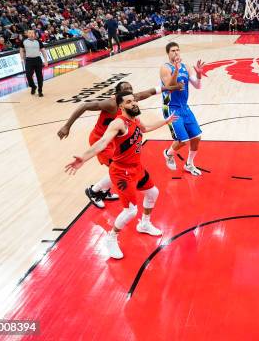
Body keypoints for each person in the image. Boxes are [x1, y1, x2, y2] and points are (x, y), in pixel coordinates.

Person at [65, 91, 178, 259]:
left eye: (134, 101)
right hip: (121, 172)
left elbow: (146, 129)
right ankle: (111, 238)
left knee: (153, 192)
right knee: (131, 211)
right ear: (121, 106)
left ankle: (145, 224)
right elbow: (103, 142)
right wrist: (84, 157)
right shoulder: (119, 123)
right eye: (129, 102)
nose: (134, 104)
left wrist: (165, 121)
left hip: (136, 167)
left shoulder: (135, 120)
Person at [58, 81, 179, 208]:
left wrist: (171, 87)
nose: (129, 91)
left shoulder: (131, 100)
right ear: (117, 95)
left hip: (118, 139)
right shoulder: (110, 104)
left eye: (130, 89)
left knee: (120, 167)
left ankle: (103, 190)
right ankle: (94, 191)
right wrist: (67, 126)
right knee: (118, 167)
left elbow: (151, 91)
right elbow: (84, 106)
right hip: (100, 138)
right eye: (125, 89)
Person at [161, 42, 205, 176]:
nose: (176, 53)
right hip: (171, 107)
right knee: (183, 140)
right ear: (168, 53)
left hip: (184, 107)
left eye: (177, 50)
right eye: (173, 51)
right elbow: (169, 86)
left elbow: (197, 86)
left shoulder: (186, 67)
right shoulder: (165, 68)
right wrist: (176, 71)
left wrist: (198, 75)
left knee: (197, 137)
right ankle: (168, 154)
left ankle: (189, 164)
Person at [20, 30, 48, 97]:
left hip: (37, 59)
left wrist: (46, 60)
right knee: (28, 75)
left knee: (39, 76)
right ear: (27, 34)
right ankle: (33, 86)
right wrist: (21, 58)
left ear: (34, 34)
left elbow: (43, 51)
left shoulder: (38, 41)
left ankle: (40, 91)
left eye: (32, 33)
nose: (31, 34)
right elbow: (21, 50)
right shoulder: (24, 41)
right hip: (29, 60)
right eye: (29, 33)